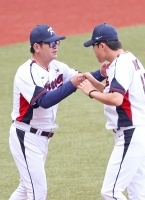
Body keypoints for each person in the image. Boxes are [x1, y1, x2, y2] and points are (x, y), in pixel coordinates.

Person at [78, 23, 145, 200]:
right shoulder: (129, 59)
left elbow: (116, 99)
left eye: (94, 47)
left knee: (110, 192)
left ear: (102, 46)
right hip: (142, 133)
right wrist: (96, 83)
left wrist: (91, 92)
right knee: (139, 196)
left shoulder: (120, 64)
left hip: (132, 134)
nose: (94, 51)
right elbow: (119, 95)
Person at [9, 24, 83, 200]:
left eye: (57, 42)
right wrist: (71, 85)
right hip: (26, 136)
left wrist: (101, 73)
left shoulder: (56, 67)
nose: (55, 45)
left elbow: (80, 77)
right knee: (37, 192)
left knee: (25, 189)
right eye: (50, 43)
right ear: (36, 47)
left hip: (42, 138)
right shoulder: (26, 72)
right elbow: (44, 101)